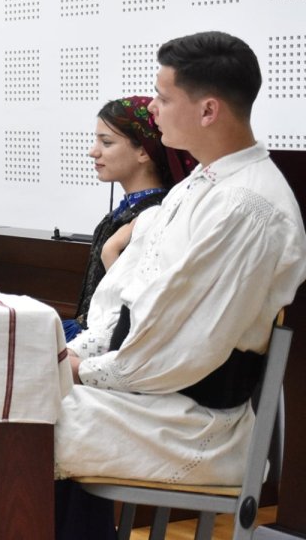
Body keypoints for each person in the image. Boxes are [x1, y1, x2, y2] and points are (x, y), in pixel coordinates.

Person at [54, 32, 306, 538]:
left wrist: (80, 369)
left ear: (208, 110)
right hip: (152, 392)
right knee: (15, 397)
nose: (153, 108)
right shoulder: (199, 186)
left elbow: (178, 350)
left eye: (163, 97)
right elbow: (123, 300)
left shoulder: (247, 207)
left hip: (190, 420)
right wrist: (76, 352)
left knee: (15, 421)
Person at [64, 96, 196, 341]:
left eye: (106, 142)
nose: (93, 152)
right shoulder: (128, 211)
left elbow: (138, 307)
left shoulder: (156, 216)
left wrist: (110, 252)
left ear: (143, 151)